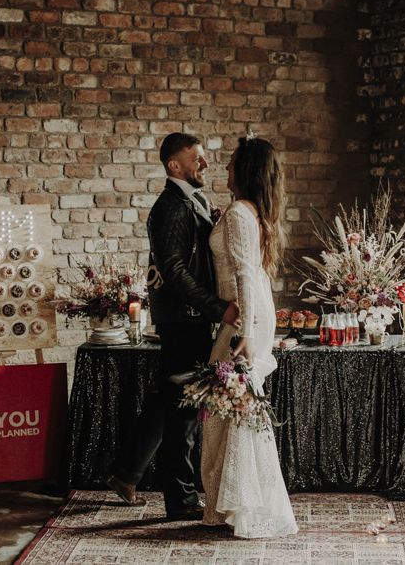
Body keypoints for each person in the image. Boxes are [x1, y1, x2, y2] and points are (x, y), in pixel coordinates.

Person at [107, 132, 240, 520]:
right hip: (185, 319)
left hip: (190, 318)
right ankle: (180, 500)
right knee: (184, 410)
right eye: (196, 159)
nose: (205, 165)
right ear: (174, 166)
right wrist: (217, 308)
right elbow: (175, 272)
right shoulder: (170, 207)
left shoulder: (191, 201)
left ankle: (125, 472)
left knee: (168, 399)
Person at [201, 135, 299, 538]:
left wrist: (245, 334)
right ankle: (233, 504)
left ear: (245, 172)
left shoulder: (242, 213)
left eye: (230, 165)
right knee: (228, 414)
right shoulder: (244, 211)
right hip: (250, 314)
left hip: (246, 319)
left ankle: (245, 507)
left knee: (231, 414)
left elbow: (243, 274)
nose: (224, 171)